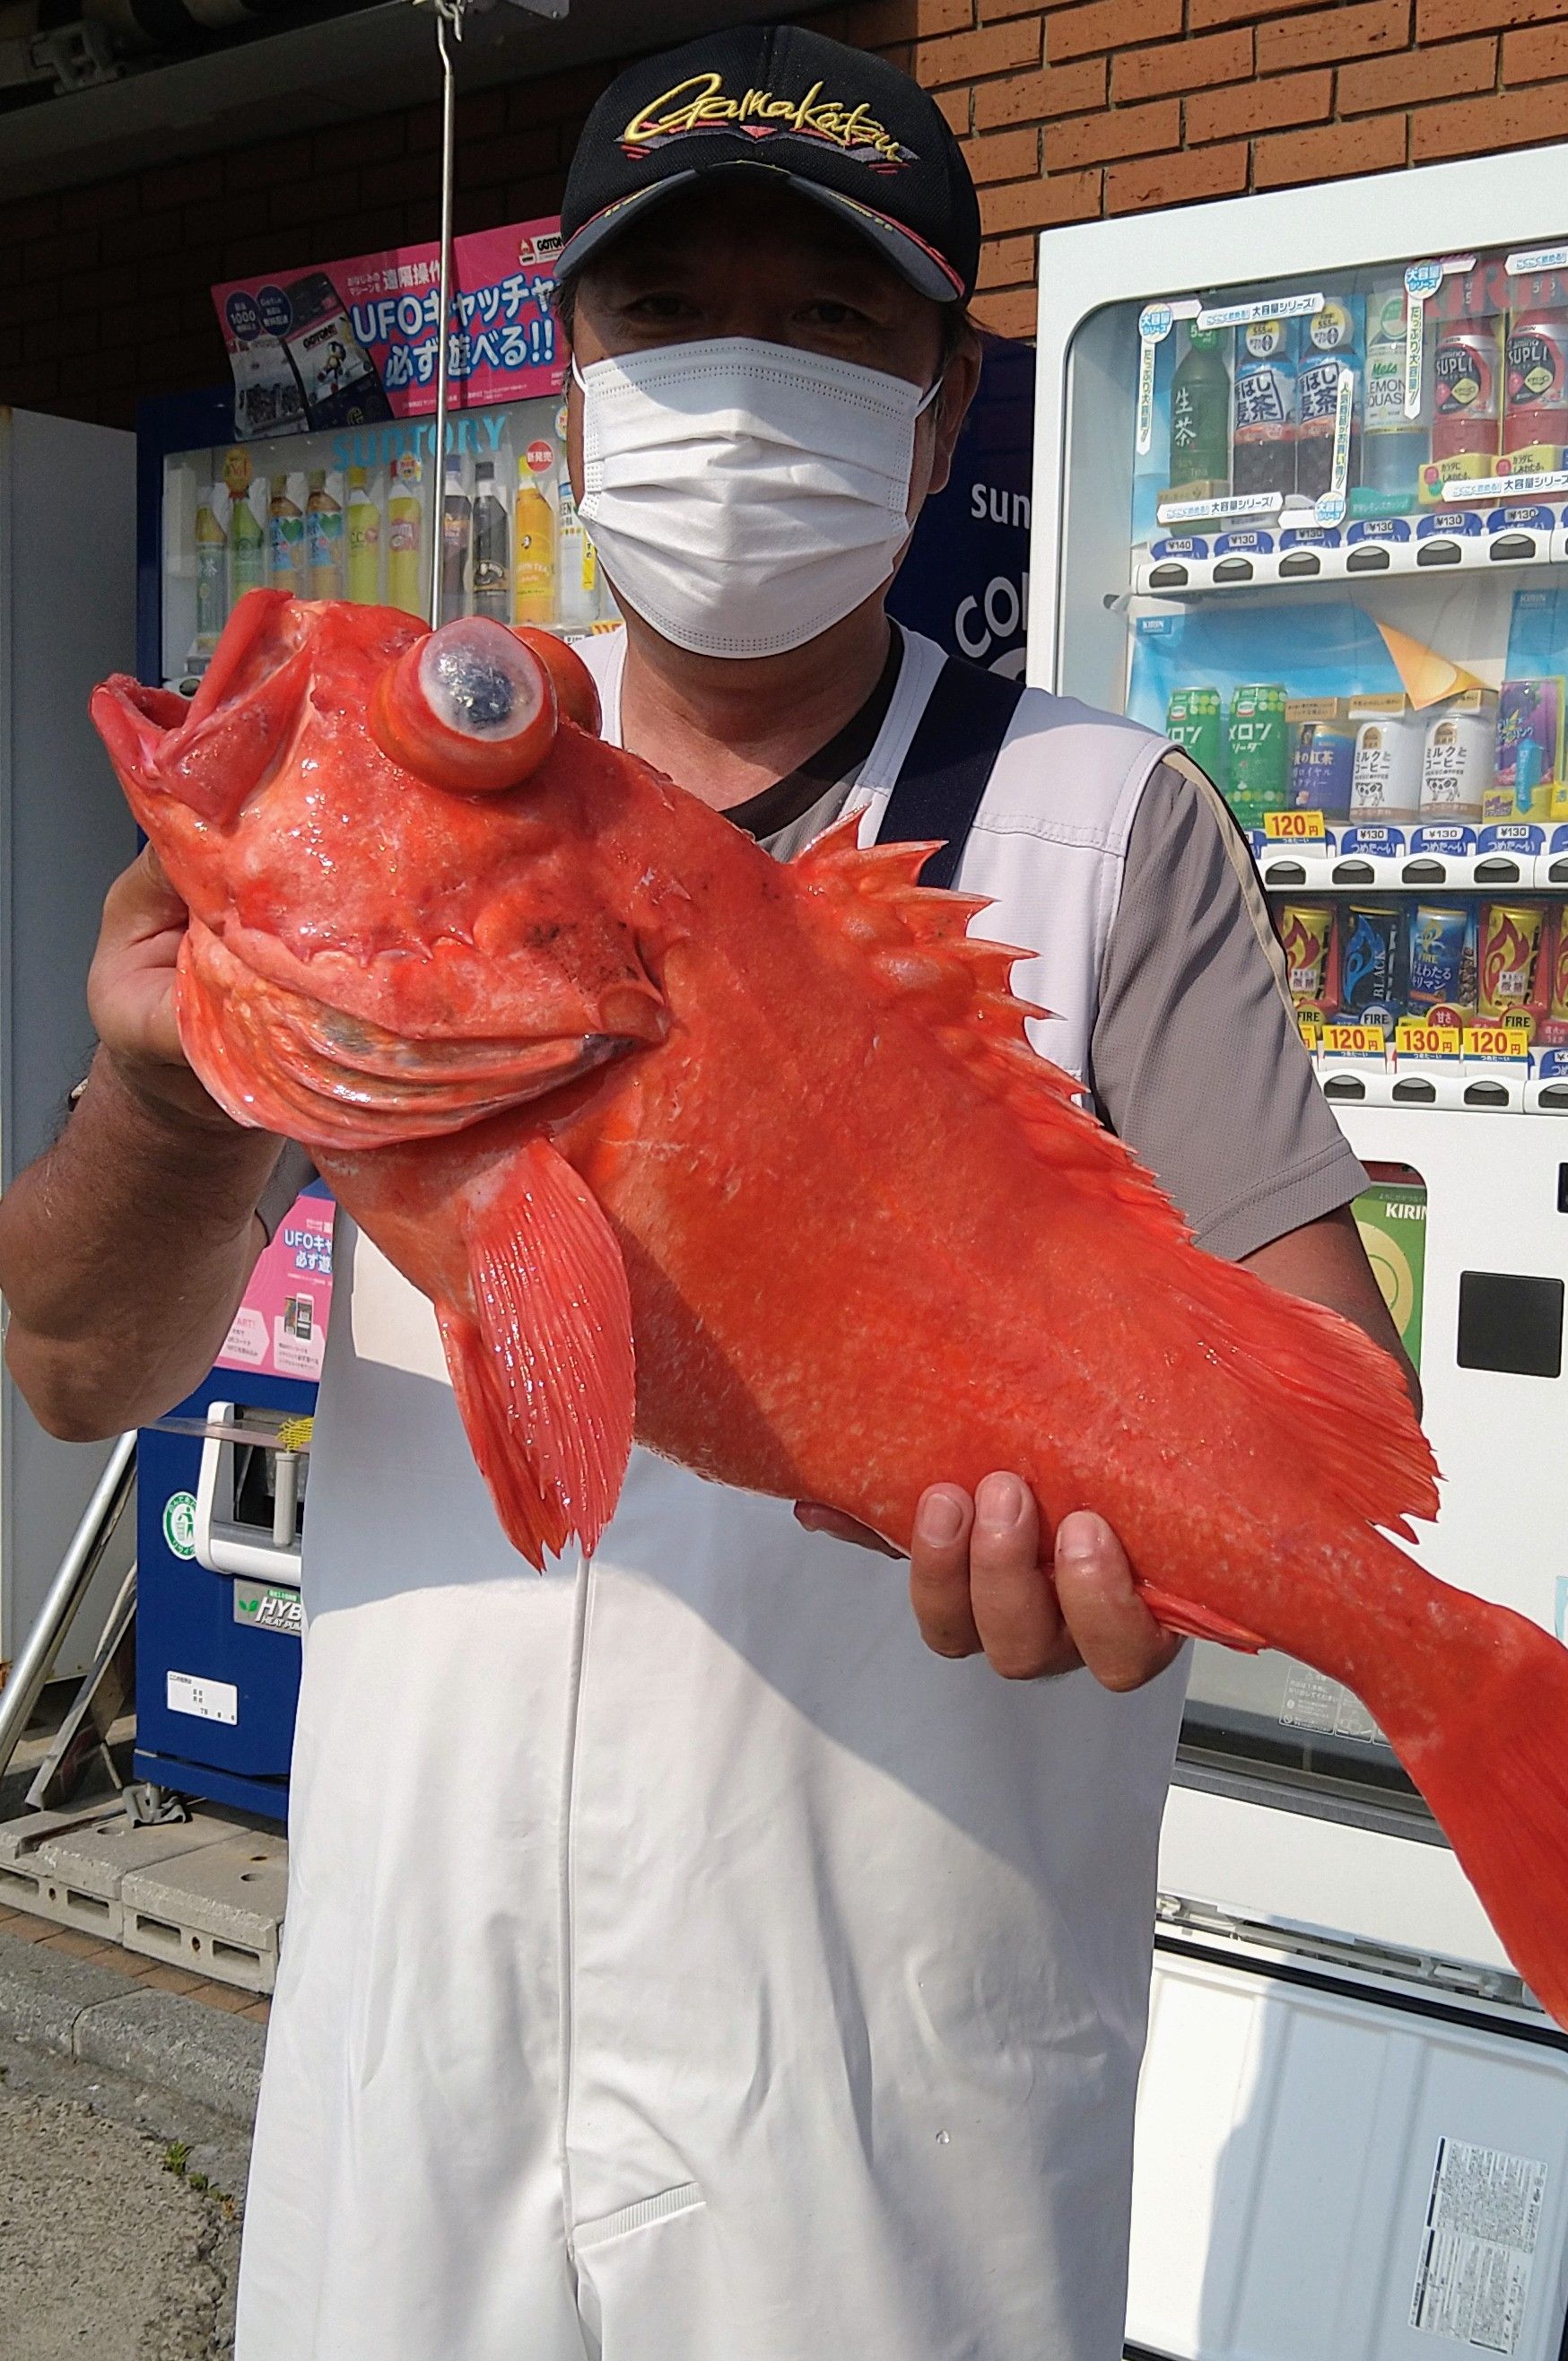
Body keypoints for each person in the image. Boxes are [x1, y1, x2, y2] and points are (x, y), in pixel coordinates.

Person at [0, 24, 1416, 2357]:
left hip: (889, 2077)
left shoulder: (1107, 822)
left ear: (938, 416)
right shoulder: (410, 798)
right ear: (570, 402)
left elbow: (1326, 1414)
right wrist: (168, 1096)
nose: (741, 383)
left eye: (831, 322)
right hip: (419, 2037)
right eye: (666, 316)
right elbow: (73, 1369)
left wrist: (1168, 1558)